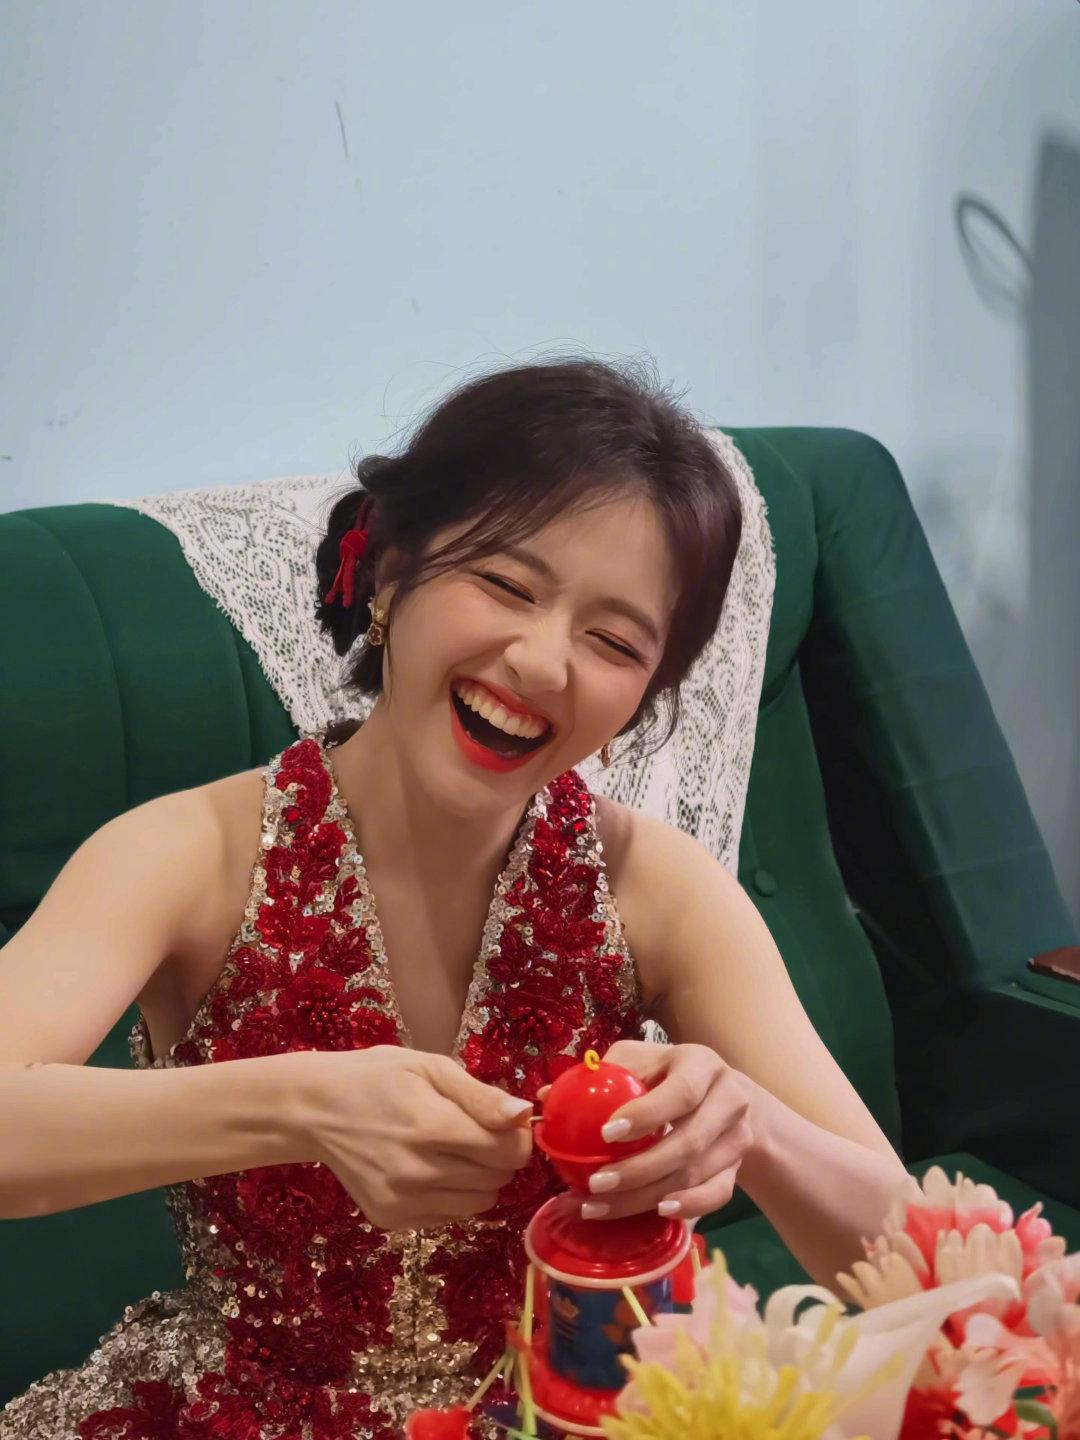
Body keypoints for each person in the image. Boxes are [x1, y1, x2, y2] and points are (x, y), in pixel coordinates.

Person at [0, 358, 910, 1440]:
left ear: (643, 695)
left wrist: (751, 1126)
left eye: (614, 642)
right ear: (390, 572)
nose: (541, 662)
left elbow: (917, 1261)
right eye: (507, 585)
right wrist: (299, 1104)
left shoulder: (657, 889)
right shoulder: (189, 853)